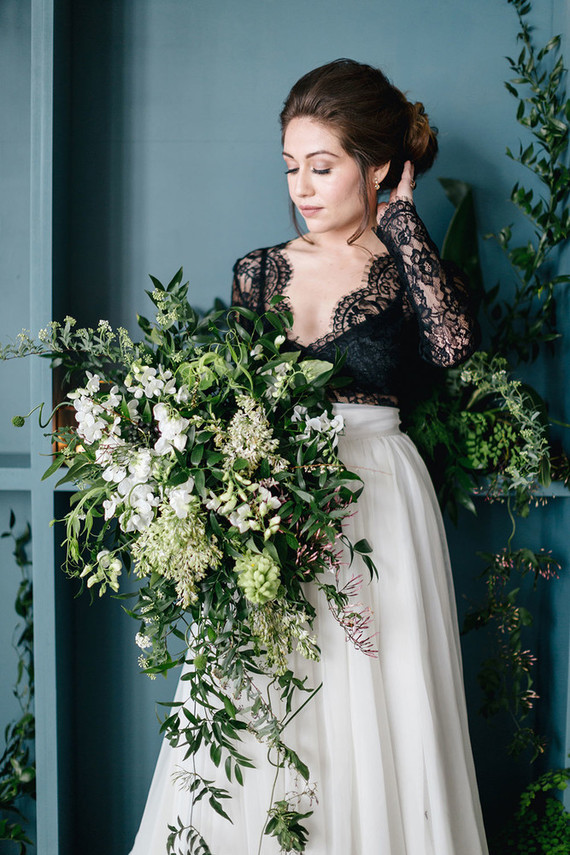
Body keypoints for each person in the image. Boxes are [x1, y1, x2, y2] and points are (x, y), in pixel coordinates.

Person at [129, 58, 489, 855]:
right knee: (268, 705)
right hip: (274, 503)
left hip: (382, 501)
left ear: (380, 168)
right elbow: (232, 403)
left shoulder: (411, 272)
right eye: (292, 166)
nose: (302, 185)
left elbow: (455, 348)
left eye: (322, 166)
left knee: (383, 707)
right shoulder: (259, 272)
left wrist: (403, 225)